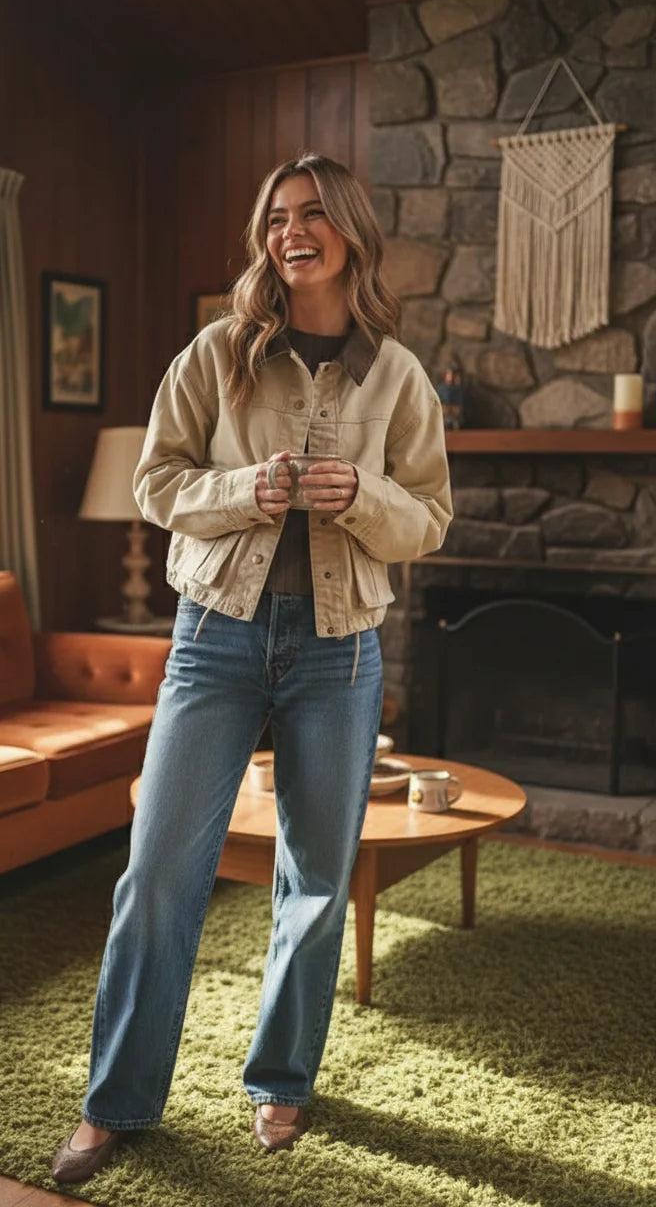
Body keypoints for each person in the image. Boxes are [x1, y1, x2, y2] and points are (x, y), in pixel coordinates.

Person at [52, 152, 453, 1184]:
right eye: (276, 218)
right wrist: (245, 490)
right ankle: (114, 1100)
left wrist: (361, 494)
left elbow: (428, 519)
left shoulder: (397, 374)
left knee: (315, 880)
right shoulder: (218, 353)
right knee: (158, 873)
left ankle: (282, 1078)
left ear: (350, 232)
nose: (291, 233)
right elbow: (155, 482)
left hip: (339, 647)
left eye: (312, 214)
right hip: (214, 639)